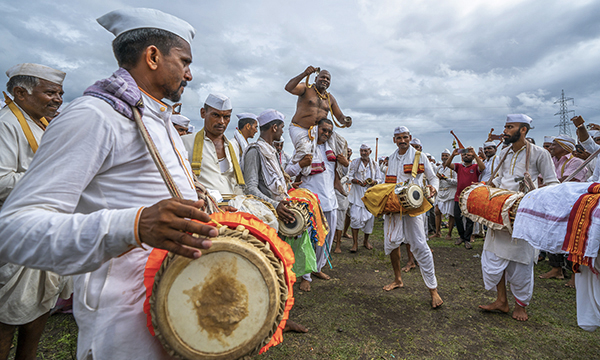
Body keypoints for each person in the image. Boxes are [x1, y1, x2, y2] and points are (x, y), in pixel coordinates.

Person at [0, 9, 220, 359]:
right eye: (184, 61)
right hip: (124, 321)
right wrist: (132, 225)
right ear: (152, 56)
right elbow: (13, 230)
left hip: (177, 301)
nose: (189, 74)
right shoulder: (93, 116)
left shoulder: (159, 119)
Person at [0, 63, 72, 360]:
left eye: (60, 93)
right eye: (51, 92)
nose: (57, 99)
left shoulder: (41, 123)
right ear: (20, 92)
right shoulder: (7, 124)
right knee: (6, 316)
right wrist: (52, 178)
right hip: (17, 233)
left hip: (46, 231)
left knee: (42, 303)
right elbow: (2, 180)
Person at [478, 114, 558, 321]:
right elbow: (496, 179)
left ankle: (520, 305)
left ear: (523, 130)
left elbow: (552, 183)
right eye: (505, 126)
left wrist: (535, 200)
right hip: (498, 214)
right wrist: (484, 191)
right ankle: (501, 301)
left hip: (523, 216)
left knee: (521, 261)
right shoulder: (502, 154)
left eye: (510, 127)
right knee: (494, 257)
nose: (505, 130)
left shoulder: (540, 154)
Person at [242, 109, 308, 332]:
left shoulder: (271, 150)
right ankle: (268, 318)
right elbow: (250, 188)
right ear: (274, 128)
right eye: (281, 127)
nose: (282, 132)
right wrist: (275, 205)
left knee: (282, 270)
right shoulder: (254, 150)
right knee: (269, 271)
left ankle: (280, 317)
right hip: (266, 219)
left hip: (280, 214)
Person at [382, 126, 443, 308]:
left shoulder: (419, 156)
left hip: (414, 208)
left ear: (410, 138)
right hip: (393, 208)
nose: (402, 140)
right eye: (398, 138)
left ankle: (433, 290)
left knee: (420, 245)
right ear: (394, 140)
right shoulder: (391, 159)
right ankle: (398, 279)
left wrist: (434, 189)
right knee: (392, 242)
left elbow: (434, 178)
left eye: (405, 137)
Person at [286, 118, 348, 290]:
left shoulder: (332, 151)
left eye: (329, 131)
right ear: (315, 130)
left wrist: (345, 164)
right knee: (310, 239)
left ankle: (317, 268)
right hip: (310, 200)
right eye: (323, 130)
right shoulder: (305, 148)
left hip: (330, 200)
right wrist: (302, 164)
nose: (326, 134)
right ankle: (306, 276)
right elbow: (288, 172)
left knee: (326, 239)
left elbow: (340, 175)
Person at [284, 66, 350, 193]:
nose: (325, 80)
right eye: (323, 77)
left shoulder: (330, 98)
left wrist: (346, 120)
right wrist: (304, 73)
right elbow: (289, 88)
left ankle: (336, 180)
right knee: (305, 150)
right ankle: (294, 179)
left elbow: (340, 116)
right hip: (300, 128)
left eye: (328, 78)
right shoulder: (306, 88)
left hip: (319, 131)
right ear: (316, 78)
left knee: (341, 144)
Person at [538, 135, 585, 287]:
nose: (550, 148)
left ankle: (574, 276)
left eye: (553, 145)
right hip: (553, 203)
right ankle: (556, 269)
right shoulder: (552, 161)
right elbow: (541, 178)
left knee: (572, 240)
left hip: (571, 206)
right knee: (552, 235)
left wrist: (544, 187)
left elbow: (565, 183)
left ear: (565, 147)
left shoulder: (576, 162)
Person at [182, 93, 245, 201]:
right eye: (216, 115)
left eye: (226, 117)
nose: (221, 122)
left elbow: (235, 184)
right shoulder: (185, 142)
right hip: (203, 209)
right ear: (203, 113)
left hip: (231, 210)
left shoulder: (233, 147)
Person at [444, 146, 485, 250]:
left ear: (472, 157)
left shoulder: (475, 167)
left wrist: (475, 155)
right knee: (457, 217)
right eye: (465, 154)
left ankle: (467, 239)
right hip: (458, 196)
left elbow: (483, 168)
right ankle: (462, 236)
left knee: (469, 219)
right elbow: (447, 164)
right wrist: (453, 154)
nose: (467, 156)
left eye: (469, 155)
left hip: (471, 197)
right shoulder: (459, 166)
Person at [346, 144, 383, 252]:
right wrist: (357, 181)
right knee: (355, 218)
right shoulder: (355, 163)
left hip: (369, 196)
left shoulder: (375, 164)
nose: (363, 153)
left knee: (369, 220)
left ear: (370, 151)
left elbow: (380, 179)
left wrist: (374, 182)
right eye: (361, 151)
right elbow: (349, 177)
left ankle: (366, 241)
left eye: (365, 151)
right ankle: (355, 243)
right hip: (357, 195)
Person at [430, 149, 457, 240]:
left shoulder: (454, 168)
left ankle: (449, 233)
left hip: (450, 192)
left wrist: (445, 179)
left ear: (450, 157)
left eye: (446, 156)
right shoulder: (439, 168)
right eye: (443, 155)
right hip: (440, 192)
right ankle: (437, 232)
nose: (444, 157)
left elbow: (457, 182)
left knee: (451, 214)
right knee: (437, 211)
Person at [333, 147, 352, 253]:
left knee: (341, 218)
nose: (347, 153)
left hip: (343, 194)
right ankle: (332, 239)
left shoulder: (350, 164)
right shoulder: (332, 162)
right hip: (331, 193)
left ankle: (338, 244)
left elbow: (348, 176)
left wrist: (346, 164)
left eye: (349, 152)